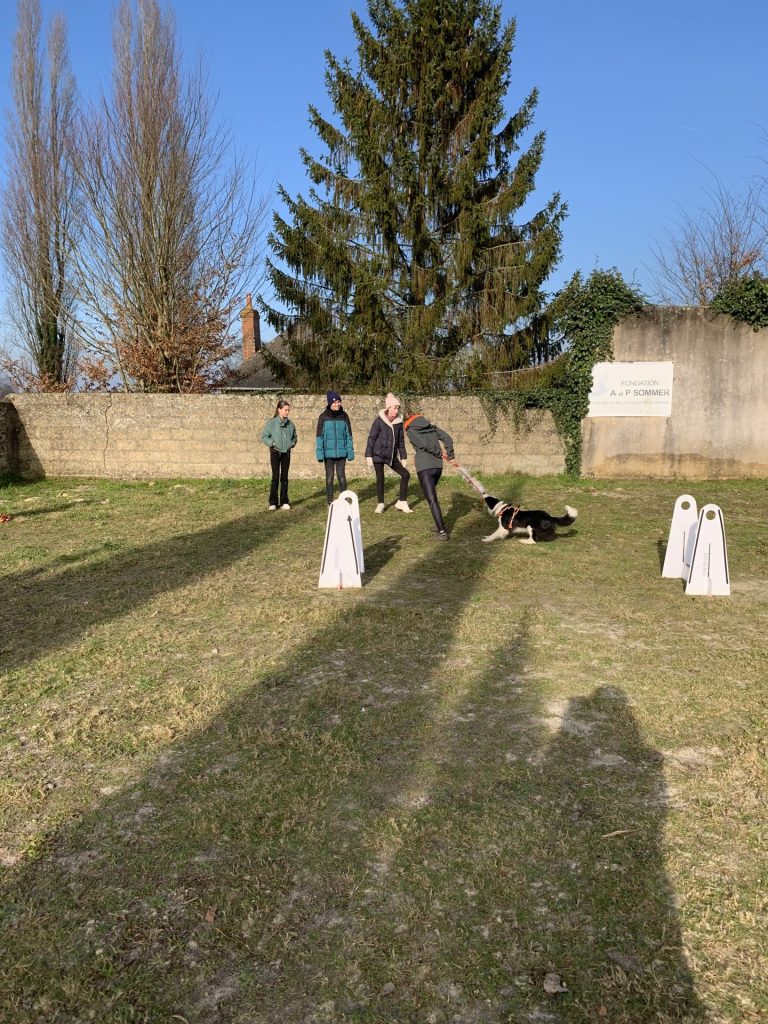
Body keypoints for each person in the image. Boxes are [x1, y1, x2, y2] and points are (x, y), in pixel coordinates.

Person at [404, 412, 455, 540]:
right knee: (431, 498)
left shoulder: (410, 430)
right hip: (438, 467)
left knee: (432, 500)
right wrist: (450, 454)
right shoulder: (431, 427)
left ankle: (442, 532)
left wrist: (438, 452)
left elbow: (423, 444)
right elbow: (447, 438)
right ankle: (439, 525)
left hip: (424, 468)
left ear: (407, 420)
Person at [365, 392, 412, 513]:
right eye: (395, 407)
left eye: (398, 408)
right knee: (380, 478)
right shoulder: (378, 421)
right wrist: (369, 455)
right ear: (388, 408)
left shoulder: (399, 422)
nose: (397, 410)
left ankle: (402, 502)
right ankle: (380, 504)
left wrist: (403, 457)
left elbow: (401, 441)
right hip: (378, 455)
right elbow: (371, 438)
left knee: (406, 475)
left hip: (391, 456)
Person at [316, 390, 355, 503]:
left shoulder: (344, 416)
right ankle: (330, 501)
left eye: (338, 401)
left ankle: (344, 500)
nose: (337, 404)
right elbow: (319, 437)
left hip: (342, 453)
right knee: (329, 478)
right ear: (330, 403)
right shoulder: (323, 417)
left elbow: (349, 435)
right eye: (335, 402)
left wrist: (350, 451)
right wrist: (320, 453)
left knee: (342, 477)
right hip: (328, 455)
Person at [262, 399, 297, 510]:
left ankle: (284, 501)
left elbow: (295, 437)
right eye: (285, 410)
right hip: (275, 452)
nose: (287, 412)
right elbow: (264, 436)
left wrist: (291, 444)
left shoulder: (291, 424)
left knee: (284, 477)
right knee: (275, 477)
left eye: (288, 410)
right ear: (279, 410)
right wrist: (272, 443)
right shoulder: (271, 423)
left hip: (286, 453)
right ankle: (273, 502)